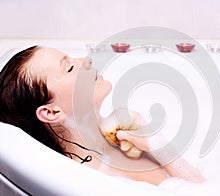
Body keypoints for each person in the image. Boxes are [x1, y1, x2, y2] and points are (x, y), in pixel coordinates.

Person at [0, 45, 206, 186]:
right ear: (52, 112)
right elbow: (201, 190)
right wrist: (157, 145)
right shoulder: (105, 176)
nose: (86, 60)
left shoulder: (112, 137)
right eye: (70, 68)